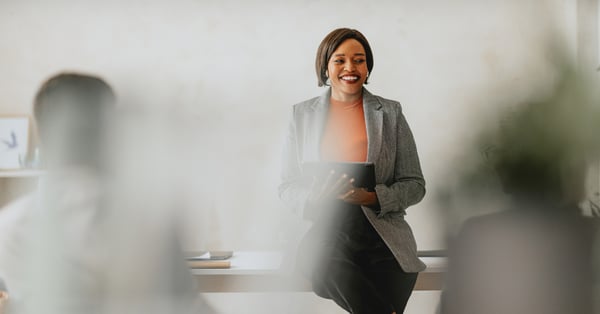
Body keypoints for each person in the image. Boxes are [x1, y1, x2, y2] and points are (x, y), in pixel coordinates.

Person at [279, 28, 426, 314]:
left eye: (359, 60)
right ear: (325, 66)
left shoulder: (390, 113)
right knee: (322, 264)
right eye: (340, 60)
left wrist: (371, 197)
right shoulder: (301, 115)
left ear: (368, 66)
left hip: (381, 232)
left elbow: (415, 184)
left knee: (391, 279)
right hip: (326, 229)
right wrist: (315, 197)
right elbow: (287, 185)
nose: (350, 68)